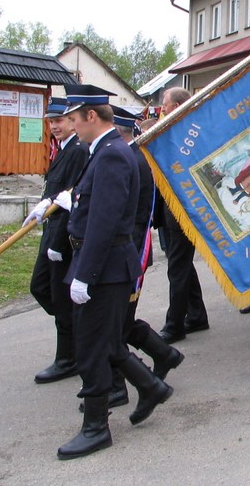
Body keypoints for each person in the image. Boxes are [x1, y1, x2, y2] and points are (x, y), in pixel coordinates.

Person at [57, 84, 172, 460]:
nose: (71, 126)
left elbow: (104, 222)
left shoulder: (111, 155)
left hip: (104, 268)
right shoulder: (103, 151)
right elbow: (90, 209)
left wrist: (85, 275)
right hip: (99, 264)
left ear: (92, 116)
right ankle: (150, 386)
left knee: (91, 348)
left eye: (74, 119)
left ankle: (96, 428)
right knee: (104, 342)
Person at [110, 106, 184, 405]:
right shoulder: (130, 155)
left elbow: (132, 215)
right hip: (128, 250)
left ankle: (120, 386)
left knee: (114, 324)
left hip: (130, 251)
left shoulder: (131, 159)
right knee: (119, 322)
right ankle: (163, 354)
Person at [24, 97, 88, 384]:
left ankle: (68, 358)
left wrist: (58, 244)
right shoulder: (63, 149)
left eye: (59, 120)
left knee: (60, 299)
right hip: (51, 232)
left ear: (72, 121)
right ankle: (77, 332)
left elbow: (72, 200)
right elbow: (55, 194)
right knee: (40, 288)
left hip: (62, 238)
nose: (54, 126)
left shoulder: (77, 151)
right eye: (50, 121)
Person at [157, 87, 209, 344]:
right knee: (182, 265)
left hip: (184, 211)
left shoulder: (189, 132)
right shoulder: (176, 129)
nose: (162, 109)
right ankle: (197, 315)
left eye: (165, 104)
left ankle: (174, 325)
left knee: (177, 268)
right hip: (172, 210)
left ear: (177, 106)